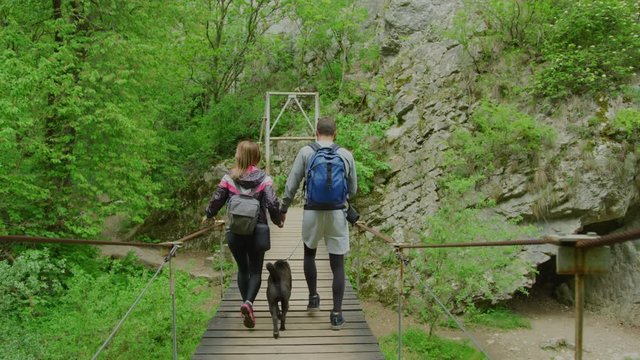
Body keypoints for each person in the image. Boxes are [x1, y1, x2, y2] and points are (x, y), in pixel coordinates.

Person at [280, 116, 357, 330]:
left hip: (312, 212)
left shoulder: (306, 152)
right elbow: (353, 190)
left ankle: (313, 297)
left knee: (309, 254)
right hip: (337, 214)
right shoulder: (346, 154)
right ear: (335, 133)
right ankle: (336, 314)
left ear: (316, 132)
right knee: (337, 265)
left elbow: (292, 183)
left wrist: (284, 208)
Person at [203, 140, 283, 329]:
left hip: (235, 232)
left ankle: (247, 306)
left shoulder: (228, 178)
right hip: (257, 231)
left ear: (238, 156)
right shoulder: (265, 179)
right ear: (257, 157)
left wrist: (208, 214)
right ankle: (248, 303)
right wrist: (278, 220)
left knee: (243, 269)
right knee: (255, 271)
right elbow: (271, 203)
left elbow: (217, 200)